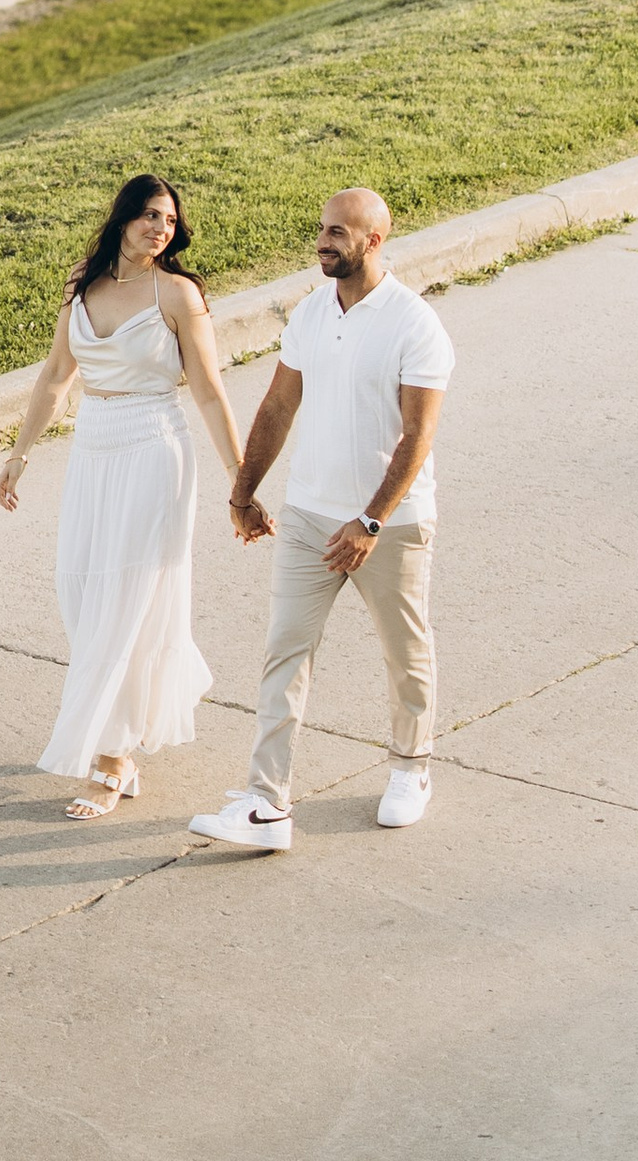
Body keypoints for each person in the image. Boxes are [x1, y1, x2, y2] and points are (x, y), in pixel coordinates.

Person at [189, 184, 451, 852]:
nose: (324, 240)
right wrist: (242, 491)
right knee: (285, 651)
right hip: (308, 515)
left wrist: (369, 521)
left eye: (339, 231)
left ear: (374, 239)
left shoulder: (413, 323)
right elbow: (278, 405)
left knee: (404, 648)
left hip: (386, 525)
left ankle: (411, 769)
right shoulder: (311, 312)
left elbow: (418, 437)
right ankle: (268, 804)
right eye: (322, 228)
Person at [0, 169, 246, 818]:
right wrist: (19, 455)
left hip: (153, 450)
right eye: (149, 216)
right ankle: (118, 733)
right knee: (82, 593)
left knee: (128, 603)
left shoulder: (178, 294)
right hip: (94, 449)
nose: (160, 228)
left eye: (169, 219)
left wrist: (240, 483)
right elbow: (56, 373)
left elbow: (210, 392)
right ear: (124, 216)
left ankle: (111, 760)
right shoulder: (84, 280)